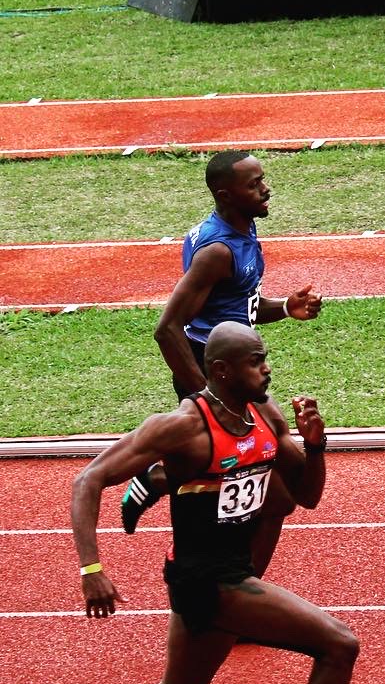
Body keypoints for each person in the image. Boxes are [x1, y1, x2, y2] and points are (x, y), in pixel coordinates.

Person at [43, 323, 380, 684]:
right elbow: (87, 480)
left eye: (266, 358)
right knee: (339, 643)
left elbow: (307, 497)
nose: (266, 368)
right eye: (255, 361)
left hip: (228, 572)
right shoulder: (179, 427)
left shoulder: (264, 416)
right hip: (206, 580)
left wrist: (315, 448)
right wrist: (91, 570)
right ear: (221, 370)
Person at [121, 150, 321, 581]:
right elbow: (168, 328)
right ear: (226, 195)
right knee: (259, 495)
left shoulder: (240, 229)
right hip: (213, 376)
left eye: (263, 180)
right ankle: (164, 480)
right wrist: (206, 401)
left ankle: (241, 591)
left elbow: (236, 307)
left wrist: (286, 307)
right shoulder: (217, 249)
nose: (266, 189)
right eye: (254, 185)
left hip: (230, 373)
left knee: (272, 498)